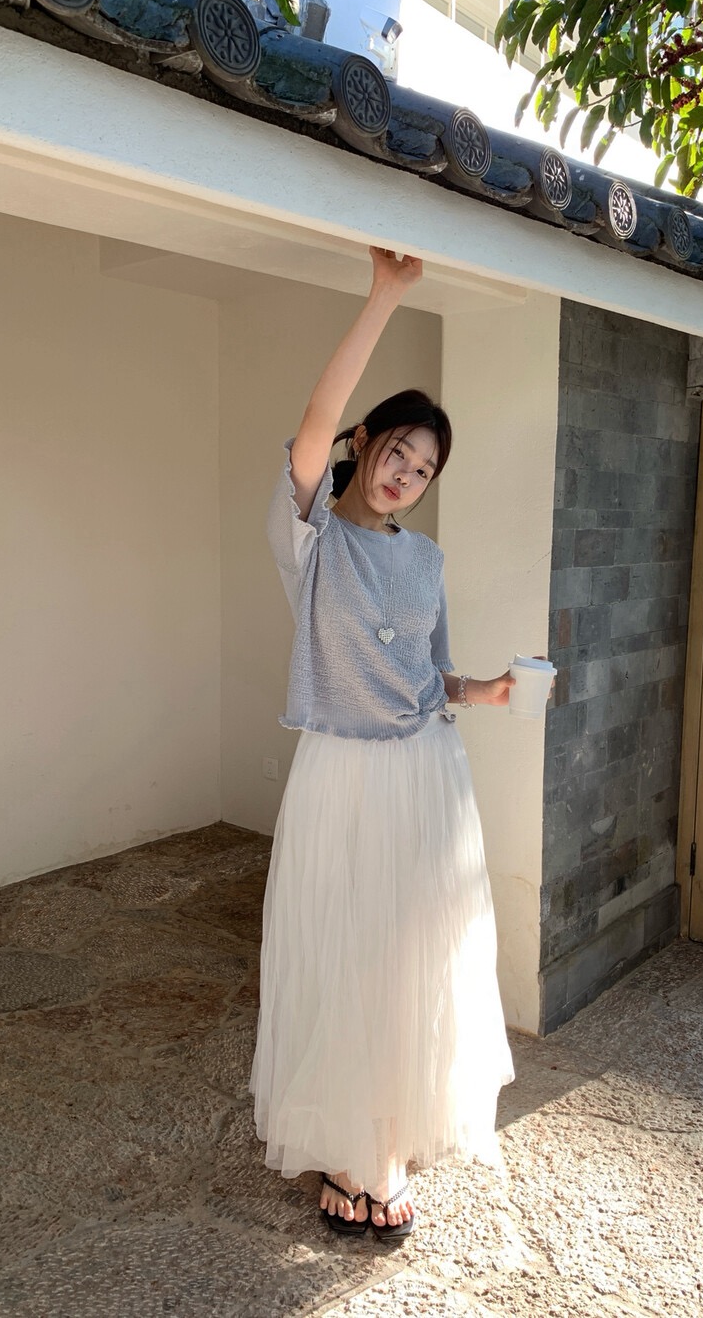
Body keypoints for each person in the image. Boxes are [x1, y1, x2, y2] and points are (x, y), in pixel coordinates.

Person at [249, 246, 516, 1242]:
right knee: (344, 957)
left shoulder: (427, 560)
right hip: (343, 773)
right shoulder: (313, 534)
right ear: (365, 443)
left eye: (426, 468)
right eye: (399, 452)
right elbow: (315, 422)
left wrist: (485, 689)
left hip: (426, 775)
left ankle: (387, 1145)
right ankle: (351, 1149)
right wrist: (384, 296)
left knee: (409, 959)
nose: (408, 475)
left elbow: (427, 676)